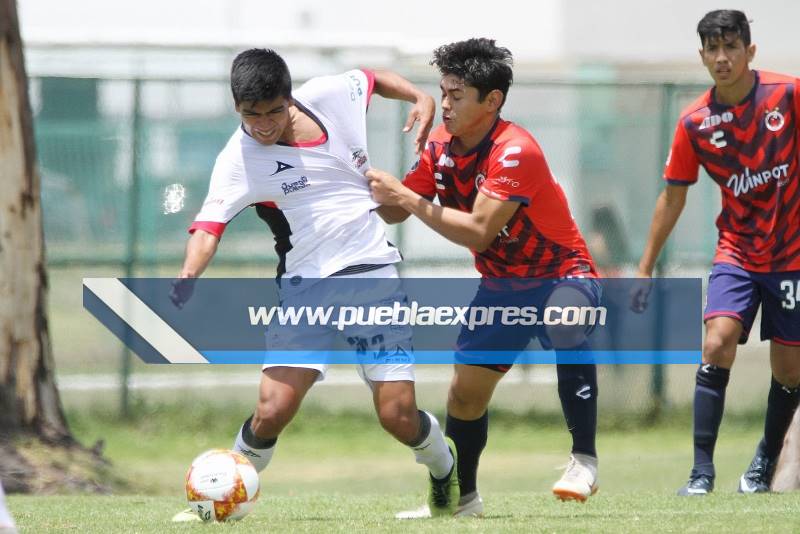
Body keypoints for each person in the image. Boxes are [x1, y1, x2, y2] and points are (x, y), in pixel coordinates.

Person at [171, 48, 458, 521]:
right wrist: (188, 274)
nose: (262, 125)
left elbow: (372, 78)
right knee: (272, 409)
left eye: (272, 112)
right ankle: (218, 504)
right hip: (305, 289)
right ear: (236, 107)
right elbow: (208, 228)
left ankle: (445, 470)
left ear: (290, 100)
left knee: (397, 417)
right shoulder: (237, 160)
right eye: (250, 115)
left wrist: (417, 95)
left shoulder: (328, 95)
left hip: (371, 276)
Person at [367, 38, 600, 517]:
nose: (446, 104)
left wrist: (407, 199)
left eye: (457, 95)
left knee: (565, 318)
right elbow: (394, 211)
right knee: (465, 395)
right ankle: (462, 500)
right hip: (502, 286)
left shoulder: (515, 151)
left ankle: (584, 461)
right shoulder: (439, 145)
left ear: (492, 101)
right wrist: (361, 176)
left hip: (562, 271)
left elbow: (477, 231)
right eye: (443, 92)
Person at [633, 10, 800, 495]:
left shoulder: (787, 96)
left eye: (731, 47)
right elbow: (673, 195)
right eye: (712, 48)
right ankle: (700, 473)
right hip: (738, 255)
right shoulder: (695, 122)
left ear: (750, 51)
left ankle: (763, 462)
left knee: (790, 372)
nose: (722, 57)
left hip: (793, 257)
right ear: (702, 55)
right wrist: (644, 267)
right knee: (716, 342)